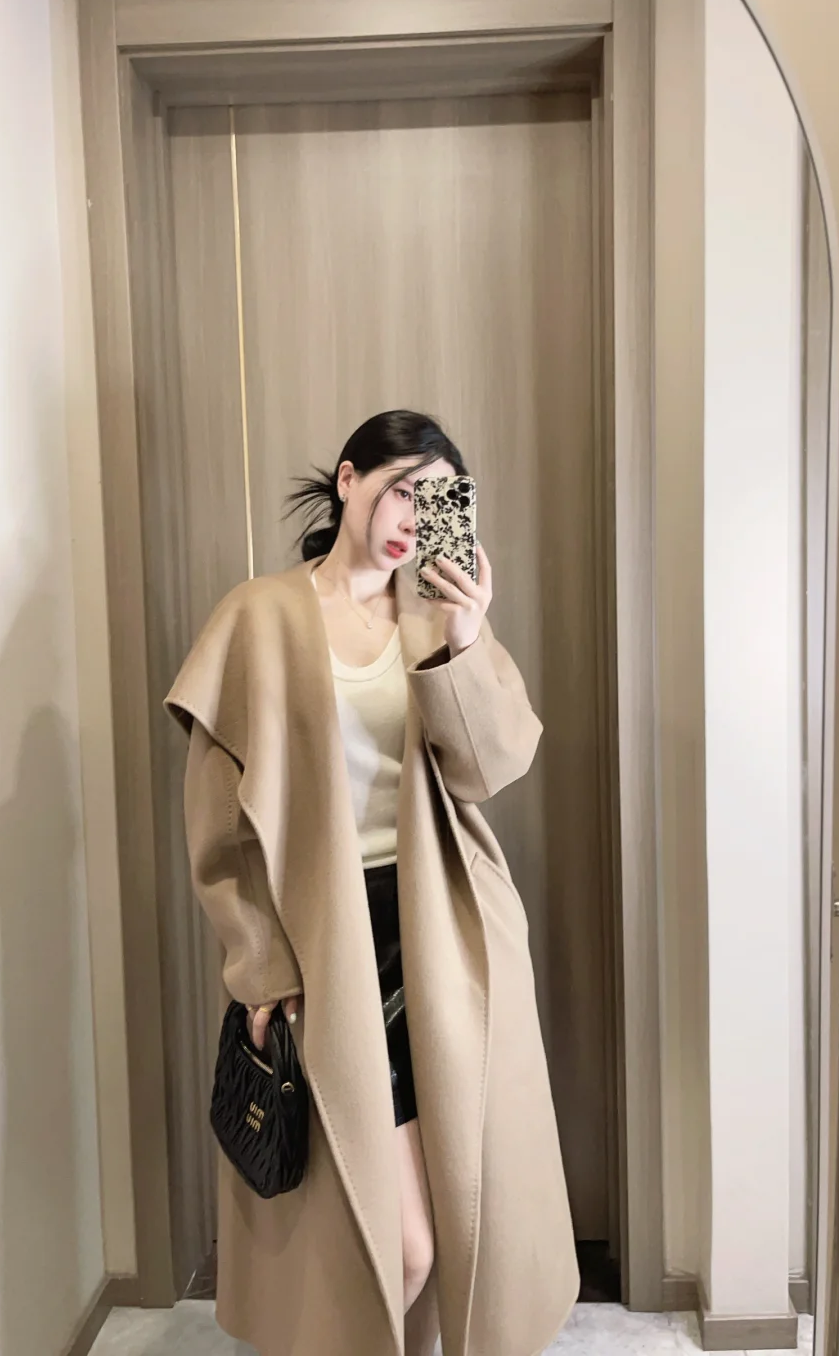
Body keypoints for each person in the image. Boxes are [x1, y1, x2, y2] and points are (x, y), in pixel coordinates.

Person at [165, 410, 578, 1356]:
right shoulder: (261, 616)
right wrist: (260, 965)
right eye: (401, 489)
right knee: (395, 1242)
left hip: (444, 929)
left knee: (456, 1217)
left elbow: (489, 769)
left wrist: (466, 636)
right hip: (327, 934)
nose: (413, 519)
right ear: (348, 479)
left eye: (437, 500)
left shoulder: (435, 611)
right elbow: (218, 823)